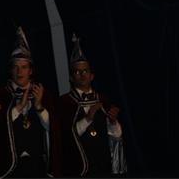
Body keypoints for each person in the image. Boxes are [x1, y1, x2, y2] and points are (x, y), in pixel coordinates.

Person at [0, 27, 54, 178]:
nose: (19, 72)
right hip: (11, 169)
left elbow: (55, 131)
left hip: (38, 167)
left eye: (24, 67)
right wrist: (18, 109)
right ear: (10, 70)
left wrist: (39, 107)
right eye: (16, 67)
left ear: (31, 71)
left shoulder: (44, 94)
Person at [54, 34, 126, 177]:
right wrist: (88, 118)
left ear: (92, 76)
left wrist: (113, 122)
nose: (82, 74)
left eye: (85, 71)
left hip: (103, 167)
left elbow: (116, 135)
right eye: (77, 72)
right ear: (71, 78)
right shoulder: (64, 102)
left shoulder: (102, 99)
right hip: (79, 169)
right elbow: (65, 137)